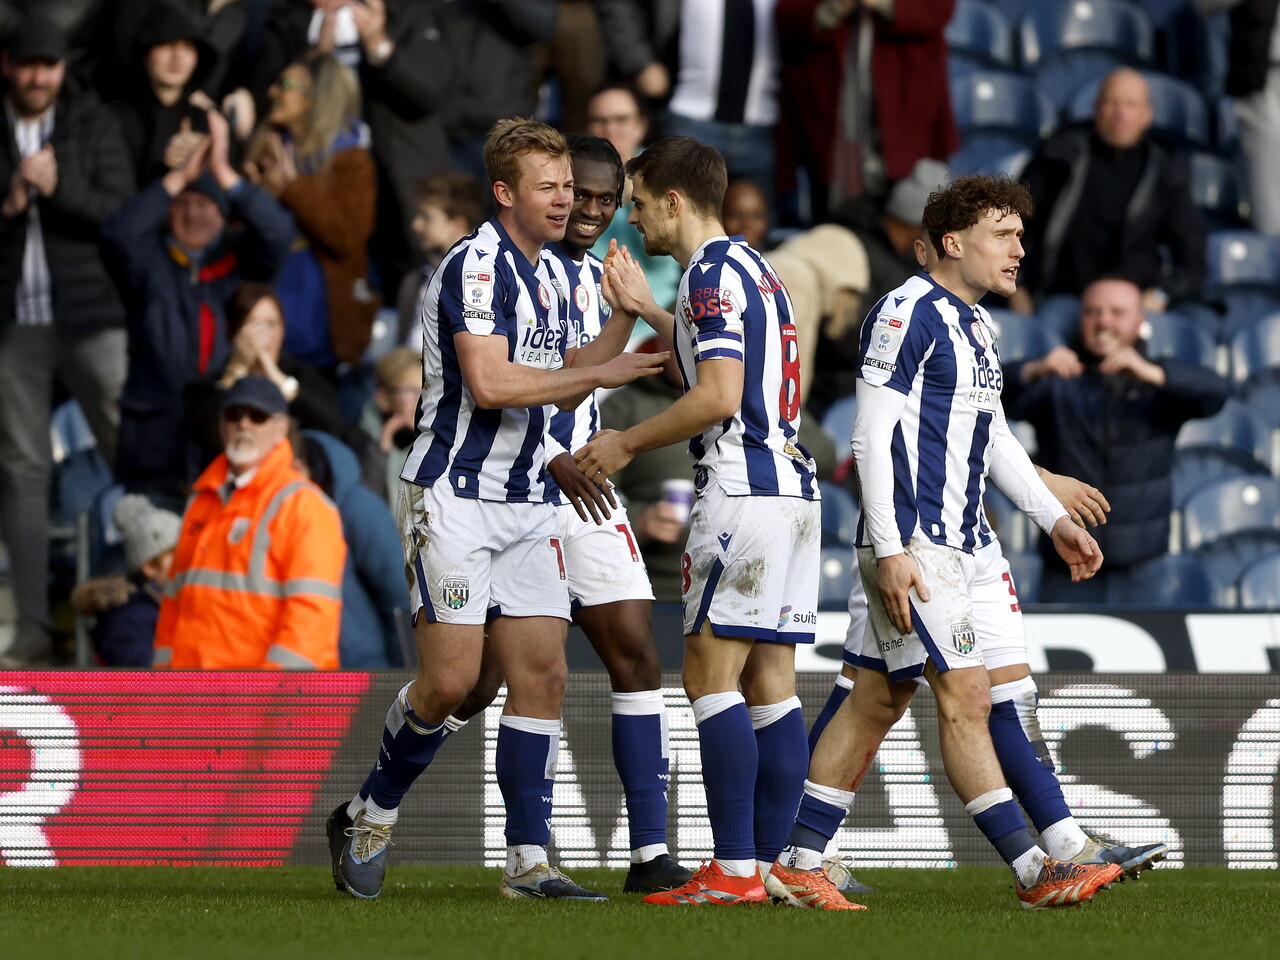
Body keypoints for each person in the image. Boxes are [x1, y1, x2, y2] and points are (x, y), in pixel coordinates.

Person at [325, 118, 666, 903]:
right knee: (450, 685)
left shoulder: (550, 272)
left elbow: (574, 369)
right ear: (506, 192)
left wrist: (624, 321)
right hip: (454, 497)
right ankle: (370, 812)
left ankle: (527, 862)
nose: (566, 201)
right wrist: (613, 362)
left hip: (532, 501)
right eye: (549, 189)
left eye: (570, 189)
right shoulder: (474, 267)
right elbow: (491, 384)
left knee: (542, 675)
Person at [764, 175, 1124, 911]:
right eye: (1004, 234)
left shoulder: (977, 327)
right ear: (954, 242)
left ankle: (798, 857)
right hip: (917, 545)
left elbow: (992, 443)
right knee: (966, 695)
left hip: (960, 543)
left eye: (1021, 235)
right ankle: (1034, 870)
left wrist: (1052, 519)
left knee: (876, 698)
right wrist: (891, 549)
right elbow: (869, 435)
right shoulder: (906, 312)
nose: (1020, 248)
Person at [439, 134, 693, 894]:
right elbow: (514, 380)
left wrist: (641, 311)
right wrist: (549, 451)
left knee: (634, 647)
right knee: (473, 684)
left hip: (586, 481)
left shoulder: (608, 276)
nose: (586, 209)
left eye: (604, 199)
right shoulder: (516, 271)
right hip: (516, 480)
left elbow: (663, 369)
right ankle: (395, 786)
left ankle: (648, 854)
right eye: (574, 193)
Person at [575, 135, 821, 906]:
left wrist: (625, 440)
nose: (633, 221)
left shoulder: (709, 275)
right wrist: (650, 309)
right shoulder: (755, 268)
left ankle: (734, 871)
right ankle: (776, 868)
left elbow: (716, 395)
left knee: (710, 681)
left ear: (675, 202)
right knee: (773, 685)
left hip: (739, 492)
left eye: (640, 204)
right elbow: (734, 368)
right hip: (791, 492)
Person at [0, 12, 135, 666]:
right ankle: (30, 632)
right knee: (20, 472)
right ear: (8, 66)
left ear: (61, 68)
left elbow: (120, 213)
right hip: (12, 321)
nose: (37, 77)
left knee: (132, 455)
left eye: (47, 65)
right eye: (26, 65)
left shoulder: (92, 119)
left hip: (90, 314)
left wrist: (57, 191)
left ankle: (158, 602)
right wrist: (10, 198)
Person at [1002, 276, 1231, 603]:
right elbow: (989, 404)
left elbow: (1217, 392)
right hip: (1068, 564)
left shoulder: (1157, 381)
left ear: (1140, 321)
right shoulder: (1059, 379)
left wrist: (1154, 373)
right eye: (1093, 312)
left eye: (1116, 312)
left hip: (1143, 570)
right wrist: (1033, 368)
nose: (1103, 321)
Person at [103, 111, 295, 498]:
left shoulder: (241, 266)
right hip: (155, 444)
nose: (192, 213)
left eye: (205, 203)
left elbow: (278, 233)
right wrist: (177, 178)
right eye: (182, 203)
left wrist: (224, 173)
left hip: (224, 437)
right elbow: (117, 236)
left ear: (223, 214)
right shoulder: (149, 264)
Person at [154, 375, 346, 669]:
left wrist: (268, 704)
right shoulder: (201, 500)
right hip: (198, 699)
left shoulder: (303, 505)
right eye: (234, 414)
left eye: (258, 416)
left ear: (281, 427)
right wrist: (165, 686)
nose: (244, 424)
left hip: (265, 703)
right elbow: (174, 600)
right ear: (220, 425)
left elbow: (311, 619)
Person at [1013, 68, 1206, 315]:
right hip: (1064, 295)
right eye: (1112, 102)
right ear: (1096, 108)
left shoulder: (1165, 168)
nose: (1120, 113)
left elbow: (1192, 251)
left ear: (1146, 116)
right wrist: (1017, 288)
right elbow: (1013, 223)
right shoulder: (1060, 154)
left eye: (1130, 105)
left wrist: (1162, 293)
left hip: (1135, 300)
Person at [245, 51, 380, 371]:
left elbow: (348, 238)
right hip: (266, 316)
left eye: (285, 84)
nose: (272, 92)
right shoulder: (267, 149)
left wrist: (293, 189)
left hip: (322, 332)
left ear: (317, 96)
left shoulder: (350, 161)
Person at [186, 282, 344, 472]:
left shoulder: (302, 375)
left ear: (283, 329)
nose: (264, 334)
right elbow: (206, 435)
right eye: (253, 324)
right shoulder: (211, 384)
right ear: (233, 332)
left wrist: (276, 376)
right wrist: (237, 369)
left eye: (271, 324)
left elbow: (332, 426)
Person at [296, 428, 408, 669]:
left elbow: (398, 596)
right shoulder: (276, 511)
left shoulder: (357, 507)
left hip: (361, 669)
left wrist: (403, 677)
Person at [585, 83, 682, 312]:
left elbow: (661, 256)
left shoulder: (664, 172)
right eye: (600, 121)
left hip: (652, 318)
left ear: (641, 126)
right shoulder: (571, 173)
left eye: (621, 120)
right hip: (586, 312)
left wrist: (634, 197)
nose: (610, 129)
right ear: (588, 127)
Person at [70, 494, 181, 668]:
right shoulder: (129, 621)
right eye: (177, 556)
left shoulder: (163, 604)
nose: (190, 563)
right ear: (150, 567)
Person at [396, 171, 486, 350]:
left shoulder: (485, 277)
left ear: (458, 224)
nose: (415, 224)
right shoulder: (415, 280)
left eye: (426, 218)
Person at [351, 345, 421, 505]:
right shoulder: (360, 439)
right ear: (383, 398)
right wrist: (383, 446)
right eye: (410, 390)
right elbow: (365, 504)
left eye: (425, 389)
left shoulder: (439, 437)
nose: (420, 398)